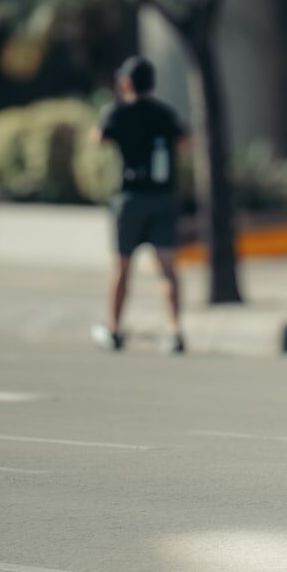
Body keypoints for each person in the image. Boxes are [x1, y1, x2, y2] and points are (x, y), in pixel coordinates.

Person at [90, 56, 189, 353]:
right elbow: (186, 142)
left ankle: (114, 329)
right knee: (168, 268)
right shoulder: (164, 113)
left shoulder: (117, 112)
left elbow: (97, 139)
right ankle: (174, 331)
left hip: (130, 198)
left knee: (122, 268)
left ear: (126, 82)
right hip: (162, 196)